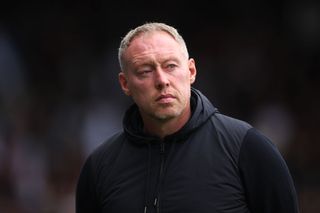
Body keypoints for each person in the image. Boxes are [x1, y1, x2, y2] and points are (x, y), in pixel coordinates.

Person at [76, 22, 299, 213]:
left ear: (191, 71)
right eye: (145, 70)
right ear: (125, 84)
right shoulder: (100, 167)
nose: (162, 80)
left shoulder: (248, 148)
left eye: (171, 66)